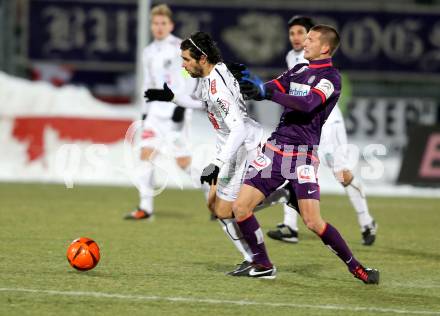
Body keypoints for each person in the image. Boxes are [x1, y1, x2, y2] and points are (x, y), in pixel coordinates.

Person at [231, 25, 380, 284]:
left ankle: (357, 268)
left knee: (312, 222)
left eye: (310, 39)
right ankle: (263, 263)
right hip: (275, 150)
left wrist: (269, 93)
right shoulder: (300, 69)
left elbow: (308, 103)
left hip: (303, 157)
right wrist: (248, 81)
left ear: (325, 47)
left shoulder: (331, 78)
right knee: (240, 208)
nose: (304, 42)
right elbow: (271, 86)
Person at [144, 31, 291, 278]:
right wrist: (173, 98)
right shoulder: (213, 71)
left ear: (202, 59)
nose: (183, 64)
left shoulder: (216, 87)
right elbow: (204, 103)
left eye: (186, 59)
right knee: (218, 208)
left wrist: (217, 163)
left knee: (227, 209)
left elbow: (238, 127)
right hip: (234, 146)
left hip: (243, 146)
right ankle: (252, 258)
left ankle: (278, 201)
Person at [267, 16, 378, 246]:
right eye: (292, 34)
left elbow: (312, 98)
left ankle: (366, 221)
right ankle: (290, 226)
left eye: (302, 33)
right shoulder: (292, 58)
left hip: (329, 126)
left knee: (342, 175)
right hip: (304, 127)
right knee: (292, 169)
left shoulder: (323, 65)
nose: (297, 38)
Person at [124, 4, 201, 220]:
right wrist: (145, 111)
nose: (159, 27)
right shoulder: (148, 52)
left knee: (183, 162)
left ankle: (211, 194)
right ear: (151, 26)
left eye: (163, 23)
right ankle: (145, 208)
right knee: (145, 155)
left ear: (171, 25)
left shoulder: (180, 48)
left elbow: (190, 76)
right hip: (155, 113)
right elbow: (148, 83)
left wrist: (182, 104)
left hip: (176, 112)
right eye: (155, 23)